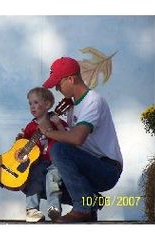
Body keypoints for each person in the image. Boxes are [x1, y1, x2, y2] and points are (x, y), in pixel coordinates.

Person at [39, 57, 123, 223]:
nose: (56, 88)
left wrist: (48, 132)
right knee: (37, 178)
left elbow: (77, 138)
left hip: (106, 168)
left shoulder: (93, 100)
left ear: (71, 79)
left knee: (58, 150)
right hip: (87, 164)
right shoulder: (73, 106)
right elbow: (70, 141)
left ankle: (82, 209)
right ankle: (91, 201)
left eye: (58, 83)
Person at [19, 87, 68, 222]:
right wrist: (20, 140)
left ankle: (54, 209)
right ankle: (32, 209)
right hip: (38, 162)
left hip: (55, 161)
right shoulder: (30, 126)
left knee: (53, 180)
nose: (32, 107)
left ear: (47, 105)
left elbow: (66, 137)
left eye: (35, 102)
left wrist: (58, 124)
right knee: (33, 178)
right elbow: (25, 147)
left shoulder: (56, 120)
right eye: (30, 104)